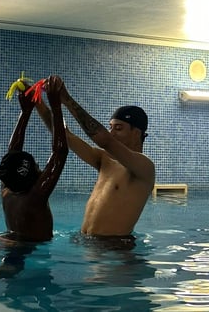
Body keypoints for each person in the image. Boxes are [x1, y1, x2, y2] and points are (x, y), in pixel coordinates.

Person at [35, 75, 155, 239]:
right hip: (87, 242)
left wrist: (67, 100)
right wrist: (37, 102)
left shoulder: (144, 167)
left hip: (115, 249)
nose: (112, 133)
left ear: (136, 133)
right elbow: (66, 136)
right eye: (110, 127)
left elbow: (104, 140)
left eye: (118, 128)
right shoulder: (105, 160)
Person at [0, 75, 69, 242]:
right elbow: (60, 154)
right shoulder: (36, 197)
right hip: (31, 253)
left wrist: (26, 111)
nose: (39, 167)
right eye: (36, 166)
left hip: (12, 242)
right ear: (34, 177)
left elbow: (13, 153)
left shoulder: (8, 188)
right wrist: (56, 107)